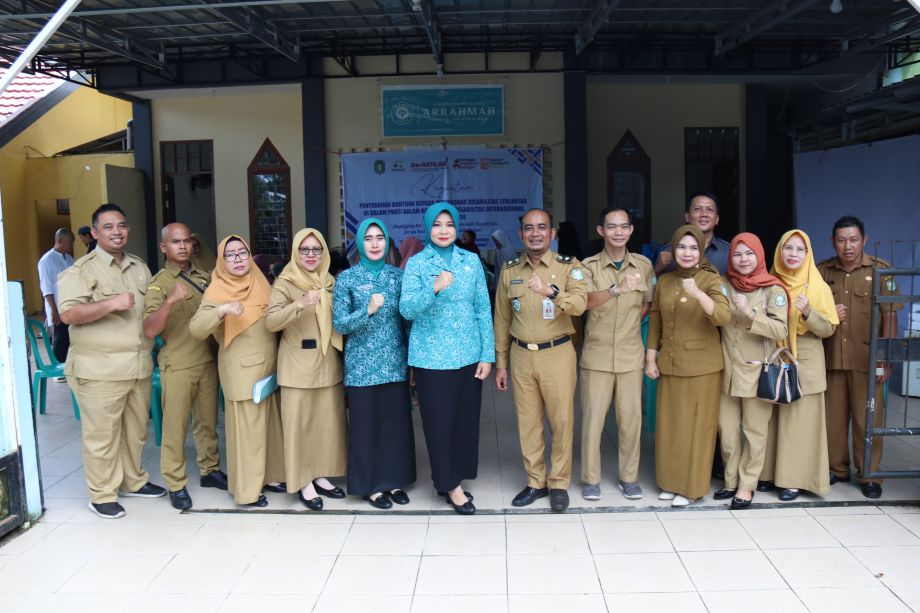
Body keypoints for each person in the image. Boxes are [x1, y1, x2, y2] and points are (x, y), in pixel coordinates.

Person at [58, 203, 166, 519]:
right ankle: (102, 493)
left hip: (137, 365)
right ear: (94, 233)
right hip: (99, 368)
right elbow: (69, 314)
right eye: (107, 227)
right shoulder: (81, 271)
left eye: (121, 225)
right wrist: (112, 303)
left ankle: (133, 480)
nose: (116, 232)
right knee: (101, 435)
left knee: (135, 431)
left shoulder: (140, 267)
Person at [400, 202, 494, 515]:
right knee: (438, 424)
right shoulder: (416, 264)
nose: (443, 230)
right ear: (428, 228)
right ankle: (451, 486)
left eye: (449, 225)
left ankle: (451, 477)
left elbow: (483, 308)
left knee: (464, 423)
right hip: (431, 358)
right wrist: (434, 287)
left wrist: (487, 354)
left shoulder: (471, 261)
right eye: (437, 224)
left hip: (468, 355)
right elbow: (407, 309)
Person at [494, 209, 588, 512]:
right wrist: (501, 363)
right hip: (521, 356)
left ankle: (559, 482)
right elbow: (502, 320)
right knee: (528, 423)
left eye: (542, 228)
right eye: (528, 228)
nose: (535, 233)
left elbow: (579, 305)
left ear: (552, 234)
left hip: (558, 353)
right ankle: (536, 481)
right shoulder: (510, 271)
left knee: (561, 421)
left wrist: (551, 292)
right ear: (521, 234)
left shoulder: (568, 267)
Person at [190, 235, 285, 507]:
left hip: (269, 366)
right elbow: (196, 329)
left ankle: (269, 476)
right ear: (221, 260)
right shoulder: (217, 290)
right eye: (230, 255)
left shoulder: (260, 280)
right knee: (248, 433)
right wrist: (222, 310)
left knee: (268, 427)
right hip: (242, 371)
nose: (238, 259)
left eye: (242, 253)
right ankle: (247, 491)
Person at [645, 225, 731, 507]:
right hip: (670, 363)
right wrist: (650, 357)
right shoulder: (666, 282)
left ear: (701, 252)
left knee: (698, 429)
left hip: (703, 368)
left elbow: (722, 315)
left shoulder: (710, 279)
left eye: (693, 248)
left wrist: (697, 293)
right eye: (681, 247)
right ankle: (670, 482)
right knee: (671, 427)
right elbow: (655, 320)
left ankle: (692, 487)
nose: (687, 252)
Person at [143, 223, 227, 510]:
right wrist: (170, 301)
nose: (183, 246)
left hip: (206, 360)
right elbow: (150, 329)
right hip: (178, 364)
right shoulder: (159, 283)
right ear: (164, 247)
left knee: (207, 422)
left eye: (187, 241)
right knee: (175, 427)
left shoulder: (205, 278)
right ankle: (175, 483)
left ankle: (210, 470)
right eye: (175, 241)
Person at [333, 218, 416, 509]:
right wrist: (366, 311)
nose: (375, 243)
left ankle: (394, 481)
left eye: (380, 237)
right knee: (366, 427)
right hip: (362, 367)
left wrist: (413, 362)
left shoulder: (398, 277)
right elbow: (340, 324)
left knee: (395, 426)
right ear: (360, 244)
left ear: (387, 241)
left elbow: (407, 321)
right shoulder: (347, 279)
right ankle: (370, 486)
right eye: (368, 238)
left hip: (394, 363)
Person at [817, 216, 900, 499]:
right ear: (833, 242)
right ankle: (837, 469)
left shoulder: (881, 271)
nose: (848, 246)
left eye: (853, 240)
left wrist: (885, 358)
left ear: (864, 240)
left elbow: (890, 317)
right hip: (831, 358)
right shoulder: (822, 271)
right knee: (833, 420)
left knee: (868, 419)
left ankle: (869, 474)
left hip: (867, 360)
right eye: (841, 240)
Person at [266, 228, 347, 510]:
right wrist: (299, 304)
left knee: (325, 424)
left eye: (316, 250)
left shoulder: (330, 282)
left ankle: (321, 474)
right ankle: (303, 482)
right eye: (305, 250)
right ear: (295, 253)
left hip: (327, 362)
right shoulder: (285, 282)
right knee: (299, 427)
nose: (311, 255)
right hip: (298, 366)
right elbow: (272, 321)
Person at [578, 207, 654, 502]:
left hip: (630, 356)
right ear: (601, 231)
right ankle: (591, 479)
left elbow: (647, 304)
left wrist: (630, 325)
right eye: (612, 227)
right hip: (596, 357)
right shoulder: (587, 267)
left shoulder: (644, 266)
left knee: (630, 421)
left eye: (624, 227)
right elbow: (583, 302)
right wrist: (615, 290)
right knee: (593, 422)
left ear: (631, 230)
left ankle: (629, 477)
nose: (618, 232)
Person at [715, 233, 788, 510]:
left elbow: (780, 330)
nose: (743, 260)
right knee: (727, 430)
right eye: (737, 254)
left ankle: (747, 486)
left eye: (749, 253)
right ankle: (730, 481)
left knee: (755, 431)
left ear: (759, 255)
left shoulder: (773, 290)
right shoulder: (723, 285)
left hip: (758, 373)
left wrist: (750, 315)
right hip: (727, 370)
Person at [770, 229, 839, 501]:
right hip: (776, 357)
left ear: (808, 254)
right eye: (788, 248)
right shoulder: (771, 281)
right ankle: (769, 475)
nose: (793, 254)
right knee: (774, 422)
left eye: (800, 250)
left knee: (801, 425)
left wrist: (809, 312)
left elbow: (829, 329)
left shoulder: (817, 285)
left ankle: (794, 480)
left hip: (806, 361)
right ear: (779, 250)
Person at [654, 192, 730, 275]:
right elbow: (654, 285)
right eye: (697, 209)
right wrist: (658, 268)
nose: (704, 214)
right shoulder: (668, 251)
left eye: (710, 209)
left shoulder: (728, 252)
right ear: (687, 216)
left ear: (717, 219)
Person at [37, 228, 74, 363]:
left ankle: (66, 367)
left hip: (70, 306)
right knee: (60, 340)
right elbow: (47, 289)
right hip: (57, 307)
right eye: (70, 242)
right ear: (59, 240)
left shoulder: (69, 259)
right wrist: (54, 311)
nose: (72, 245)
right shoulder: (46, 260)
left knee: (70, 338)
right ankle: (57, 370)